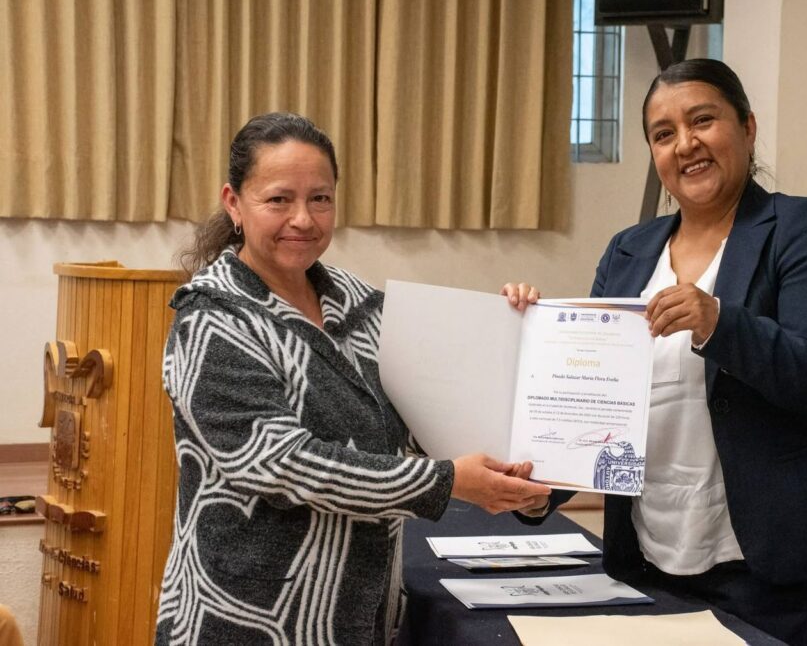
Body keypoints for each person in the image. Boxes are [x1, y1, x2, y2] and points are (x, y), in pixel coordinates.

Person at [504, 58, 807, 645]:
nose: (686, 145)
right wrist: (538, 488)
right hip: (645, 558)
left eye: (703, 120)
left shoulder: (799, 227)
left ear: (747, 127)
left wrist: (720, 324)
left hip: (763, 572)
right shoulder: (628, 250)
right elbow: (597, 404)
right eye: (663, 133)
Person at [155, 112, 550, 645]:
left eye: (320, 198)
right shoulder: (211, 319)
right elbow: (281, 464)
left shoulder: (366, 307)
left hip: (357, 618)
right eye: (279, 199)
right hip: (244, 621)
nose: (303, 219)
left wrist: (515, 331)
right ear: (234, 203)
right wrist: (445, 482)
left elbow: (433, 422)